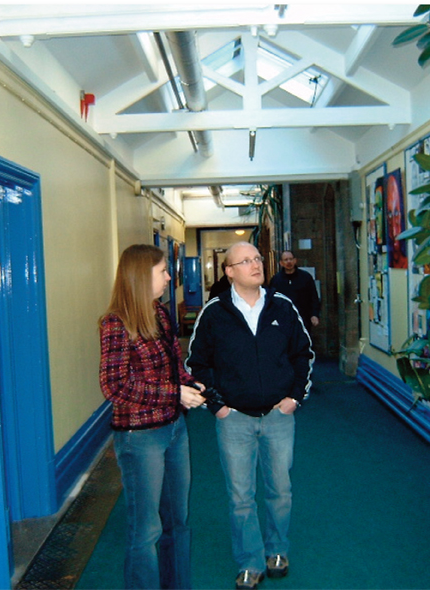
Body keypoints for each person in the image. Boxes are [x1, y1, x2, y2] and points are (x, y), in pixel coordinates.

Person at [186, 241, 314, 590]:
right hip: (235, 420)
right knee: (240, 495)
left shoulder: (283, 307)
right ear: (229, 272)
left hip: (278, 416)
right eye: (245, 261)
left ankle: (276, 550)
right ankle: (250, 560)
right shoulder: (213, 314)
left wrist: (294, 397)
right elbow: (197, 364)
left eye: (257, 258)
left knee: (280, 489)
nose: (255, 265)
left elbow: (303, 354)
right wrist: (218, 405)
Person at [99, 244, 207, 590]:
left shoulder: (159, 314)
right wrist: (174, 394)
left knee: (178, 521)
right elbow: (115, 386)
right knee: (146, 529)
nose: (169, 276)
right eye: (162, 271)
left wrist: (190, 385)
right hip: (139, 437)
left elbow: (174, 366)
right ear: (140, 276)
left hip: (174, 429)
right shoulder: (115, 324)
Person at [269, 250, 321, 333]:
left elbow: (313, 297)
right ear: (281, 263)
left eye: (290, 259)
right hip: (283, 319)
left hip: (303, 318)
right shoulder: (276, 280)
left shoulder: (305, 277)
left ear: (295, 260)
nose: (289, 262)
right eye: (286, 260)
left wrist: (314, 314)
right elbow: (272, 300)